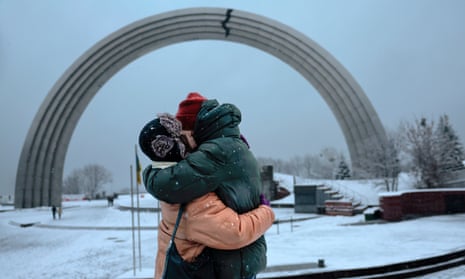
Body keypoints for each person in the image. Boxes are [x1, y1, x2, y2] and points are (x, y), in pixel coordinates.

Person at [143, 92, 270, 279]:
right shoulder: (234, 144)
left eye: (183, 135)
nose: (182, 143)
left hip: (224, 262)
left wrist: (153, 169)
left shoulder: (216, 152)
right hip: (241, 258)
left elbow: (166, 185)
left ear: (192, 128)